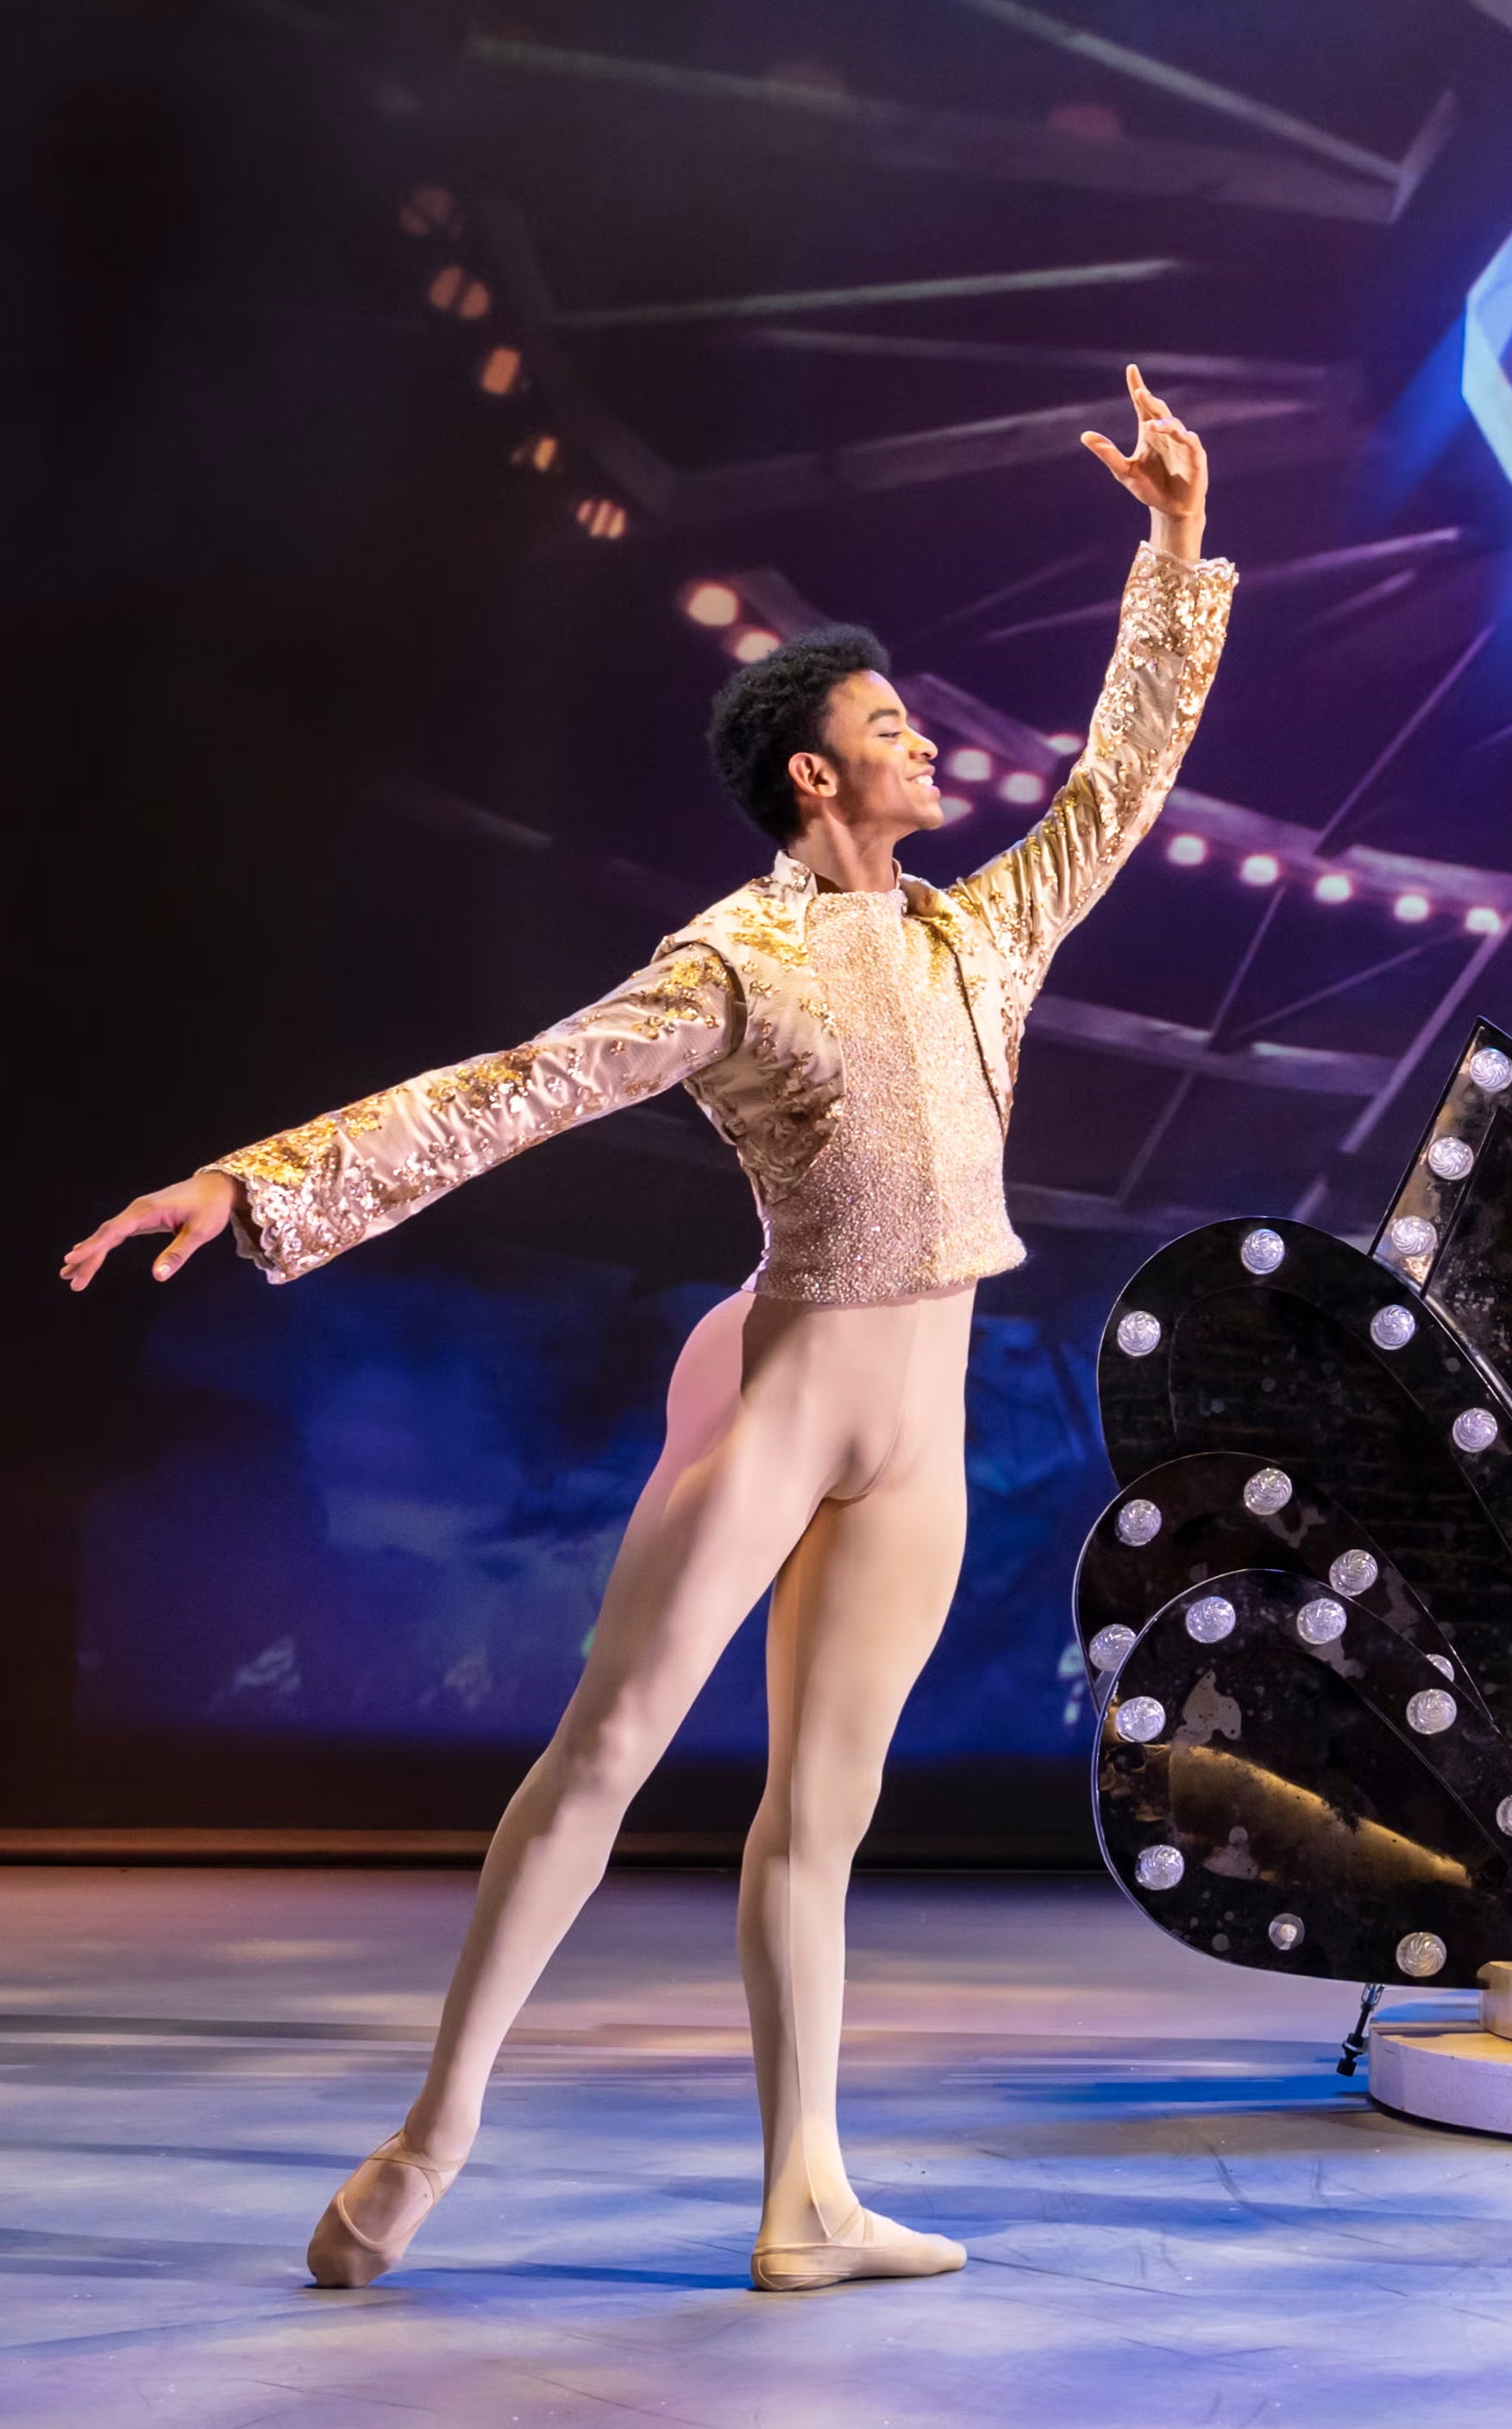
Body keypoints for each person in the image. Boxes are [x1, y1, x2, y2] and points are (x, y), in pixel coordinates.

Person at [58, 369, 1236, 2292]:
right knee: (601, 1753)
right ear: (813, 780)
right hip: (781, 1406)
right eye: (887, 730)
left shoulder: (980, 931)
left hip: (921, 1442)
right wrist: (254, 1184)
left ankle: (804, 2198)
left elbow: (1120, 777)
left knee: (822, 1821)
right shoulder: (730, 962)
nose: (926, 746)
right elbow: (512, 1090)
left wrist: (1172, 551)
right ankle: (430, 2135)